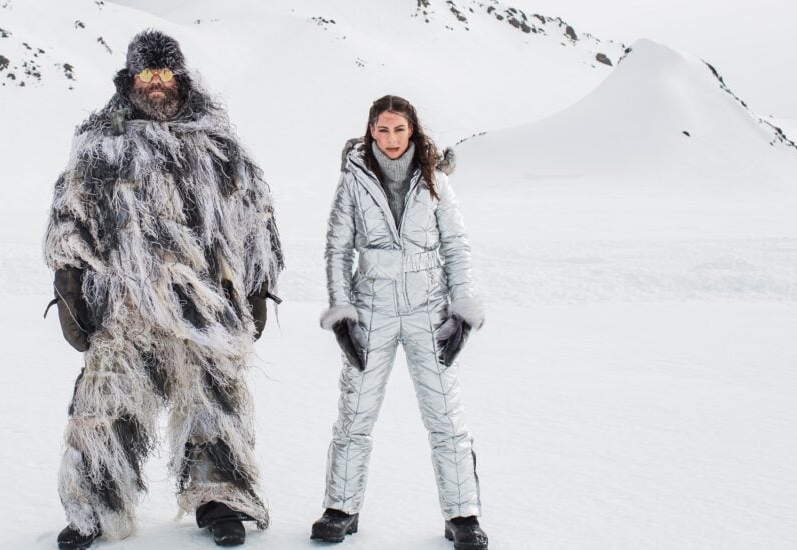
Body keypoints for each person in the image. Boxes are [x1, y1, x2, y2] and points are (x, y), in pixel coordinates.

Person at [42, 29, 283, 549]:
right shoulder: (100, 142)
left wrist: (259, 288)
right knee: (104, 405)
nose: (156, 84)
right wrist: (69, 288)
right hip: (126, 307)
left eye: (164, 74)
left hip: (203, 307)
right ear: (131, 79)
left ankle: (221, 499)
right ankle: (93, 508)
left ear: (180, 78)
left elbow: (254, 217)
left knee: (215, 403)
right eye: (146, 74)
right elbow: (70, 216)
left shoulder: (217, 141)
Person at [311, 95, 490, 550]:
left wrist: (462, 313)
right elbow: (337, 249)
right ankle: (341, 508)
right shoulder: (353, 178)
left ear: (413, 130)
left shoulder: (435, 179)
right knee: (355, 413)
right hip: (372, 307)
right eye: (383, 130)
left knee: (445, 415)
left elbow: (456, 245)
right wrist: (342, 314)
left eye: (400, 129)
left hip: (428, 307)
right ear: (371, 130)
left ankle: (462, 515)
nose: (391, 139)